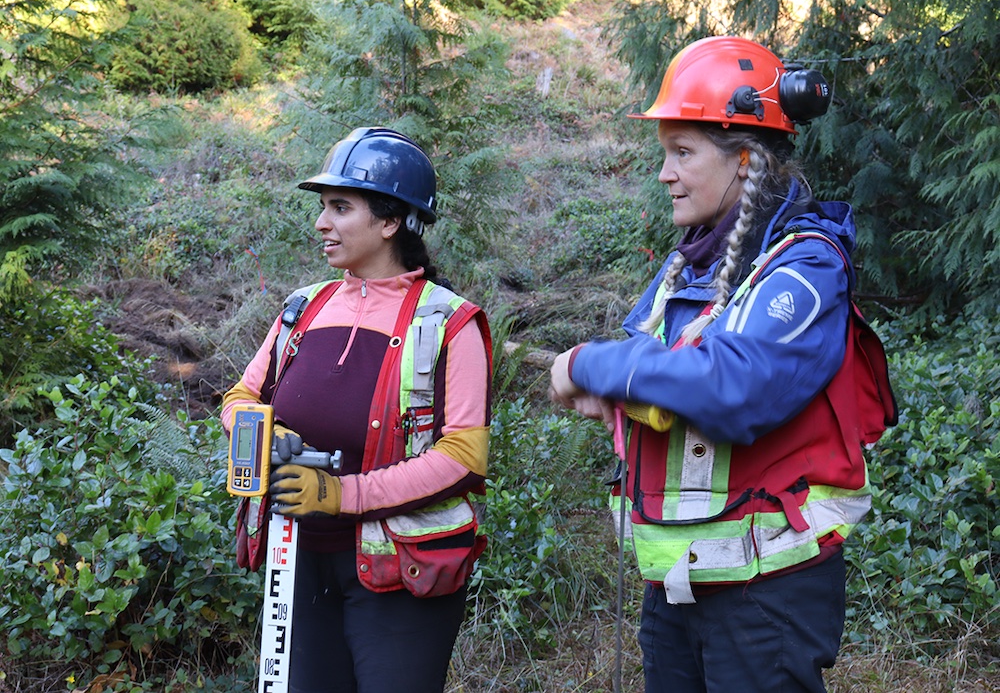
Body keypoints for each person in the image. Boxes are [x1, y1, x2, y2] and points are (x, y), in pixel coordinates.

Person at [548, 36, 895, 692]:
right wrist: (612, 390)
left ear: (745, 161)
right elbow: (650, 365)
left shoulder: (807, 265)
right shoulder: (690, 263)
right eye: (665, 154)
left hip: (766, 595)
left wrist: (597, 367)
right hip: (677, 585)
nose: (665, 173)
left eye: (683, 153)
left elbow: (732, 385)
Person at [221, 127, 492, 693]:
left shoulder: (450, 323)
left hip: (398, 571)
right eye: (323, 207)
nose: (322, 222)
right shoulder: (304, 307)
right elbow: (242, 397)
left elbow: (463, 457)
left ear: (390, 220)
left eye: (340, 207)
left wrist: (344, 496)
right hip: (295, 558)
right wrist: (263, 434)